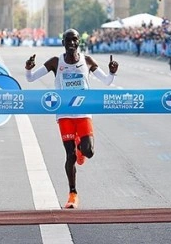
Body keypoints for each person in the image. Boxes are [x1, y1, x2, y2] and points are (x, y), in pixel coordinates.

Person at [24, 29, 119, 209]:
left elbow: (107, 81)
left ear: (78, 43)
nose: (72, 43)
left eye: (75, 40)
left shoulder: (87, 61)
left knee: (88, 152)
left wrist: (112, 72)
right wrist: (28, 69)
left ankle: (80, 148)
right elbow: (30, 79)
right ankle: (73, 194)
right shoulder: (55, 62)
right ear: (63, 43)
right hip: (65, 114)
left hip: (83, 113)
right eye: (68, 40)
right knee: (69, 156)